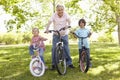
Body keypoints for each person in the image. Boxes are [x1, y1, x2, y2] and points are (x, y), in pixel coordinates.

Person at [45, 4, 75, 70]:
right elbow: (49, 22)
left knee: (66, 48)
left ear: (63, 10)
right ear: (56, 10)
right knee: (54, 48)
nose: (60, 11)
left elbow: (70, 21)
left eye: (61, 9)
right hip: (56, 34)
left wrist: (69, 25)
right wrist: (47, 29)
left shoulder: (66, 14)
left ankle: (69, 63)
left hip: (64, 34)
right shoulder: (54, 15)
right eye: (59, 10)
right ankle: (54, 64)